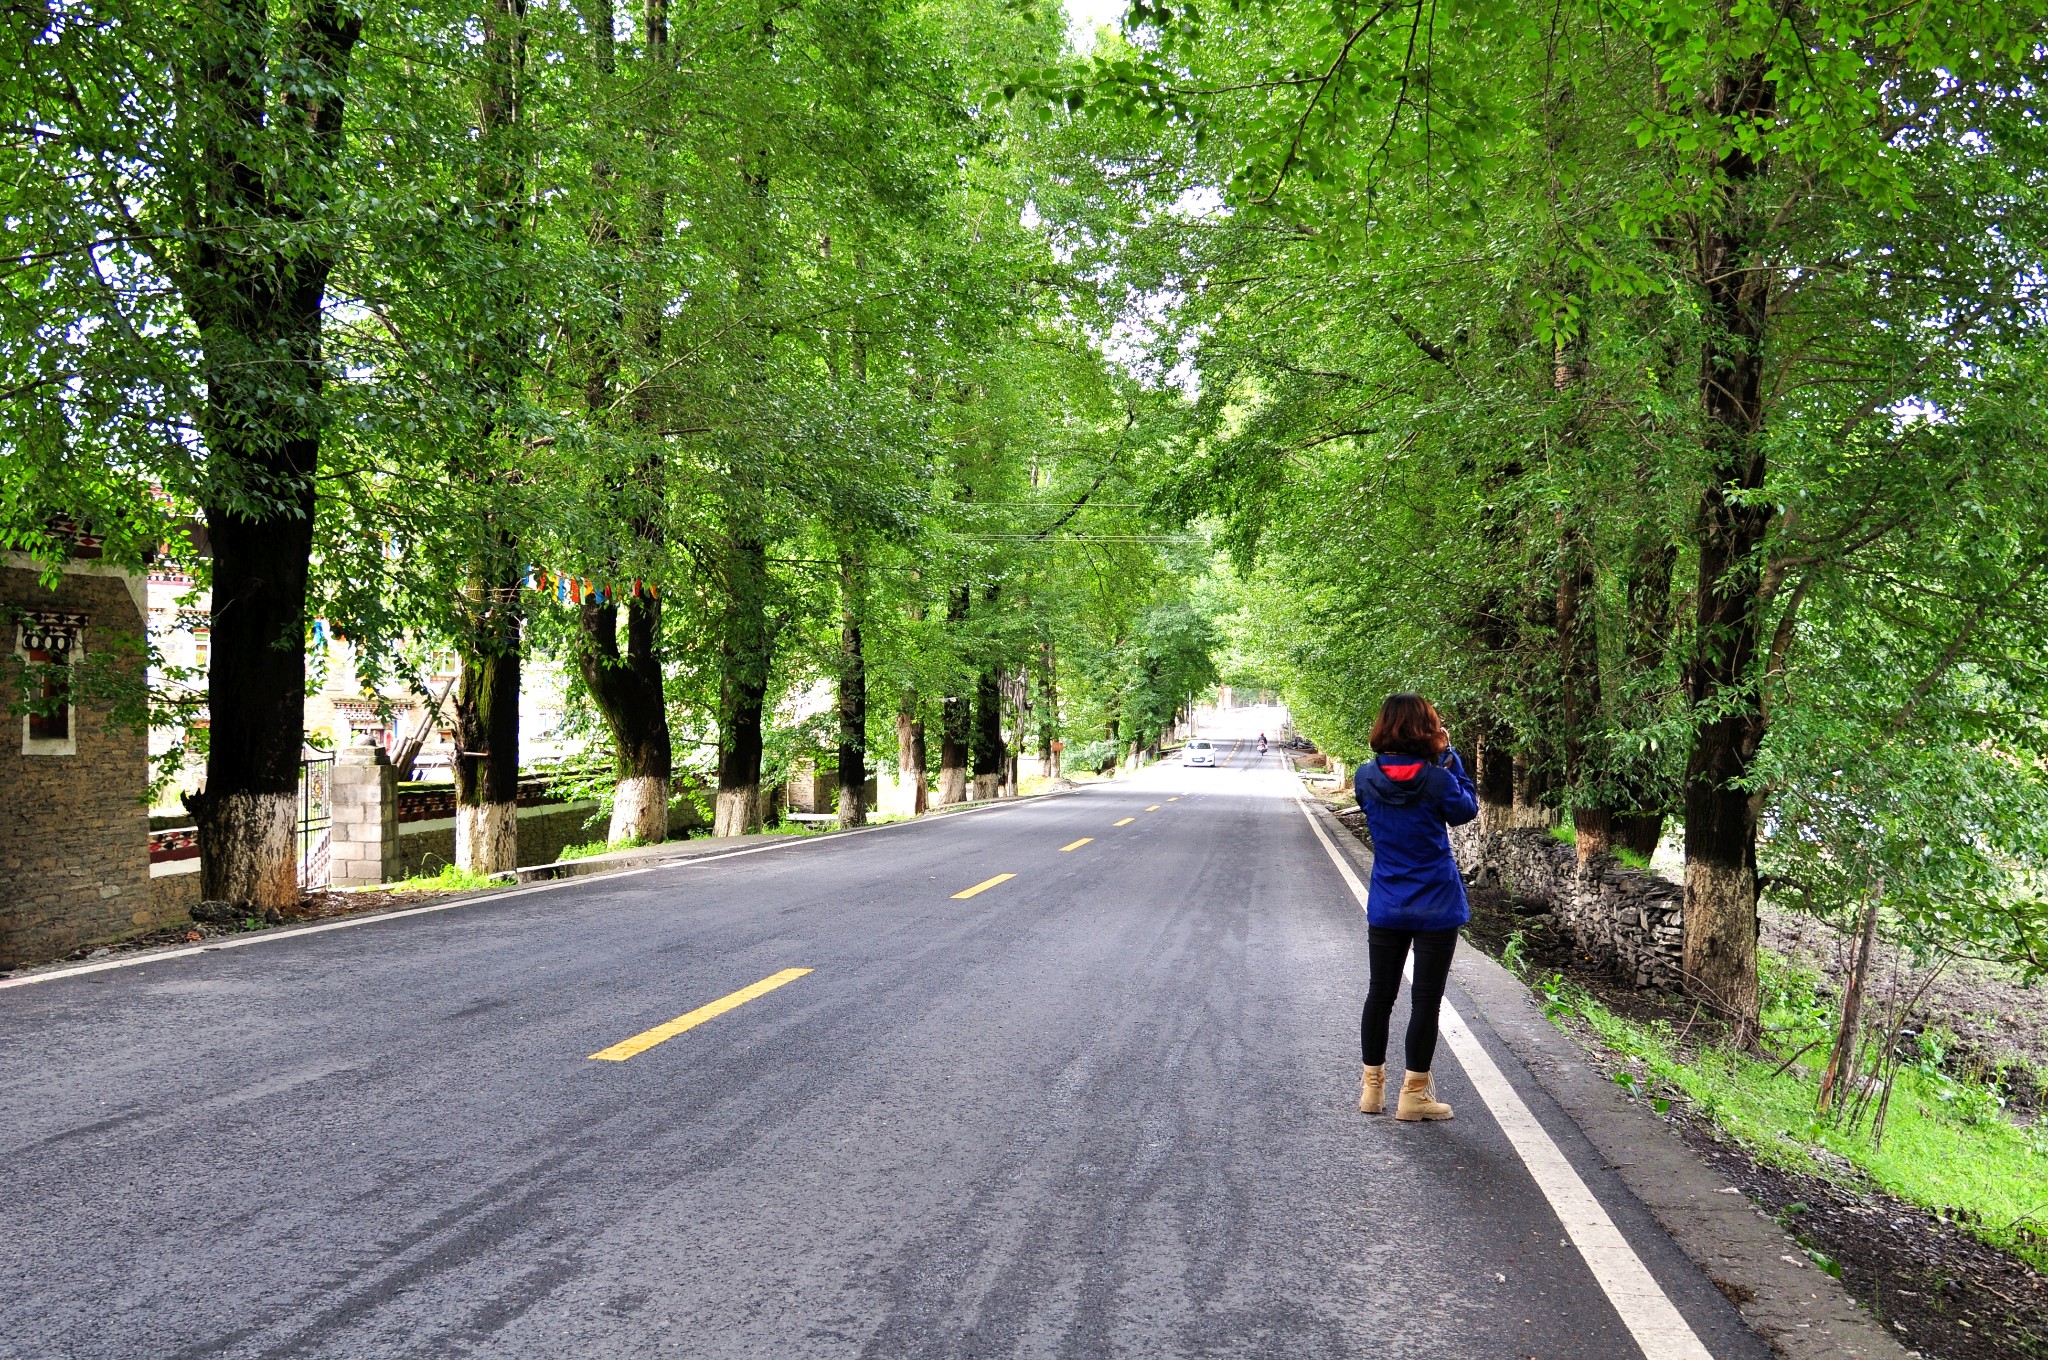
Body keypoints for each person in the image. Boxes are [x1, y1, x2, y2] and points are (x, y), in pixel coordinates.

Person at [1351, 693, 1478, 1121]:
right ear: (1426, 730)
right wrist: (1449, 756)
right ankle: (1414, 1096)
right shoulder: (1436, 779)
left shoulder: (1365, 777)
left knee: (1379, 995)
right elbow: (1466, 809)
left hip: (1387, 899)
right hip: (1436, 904)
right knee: (1426, 999)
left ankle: (1372, 1091)